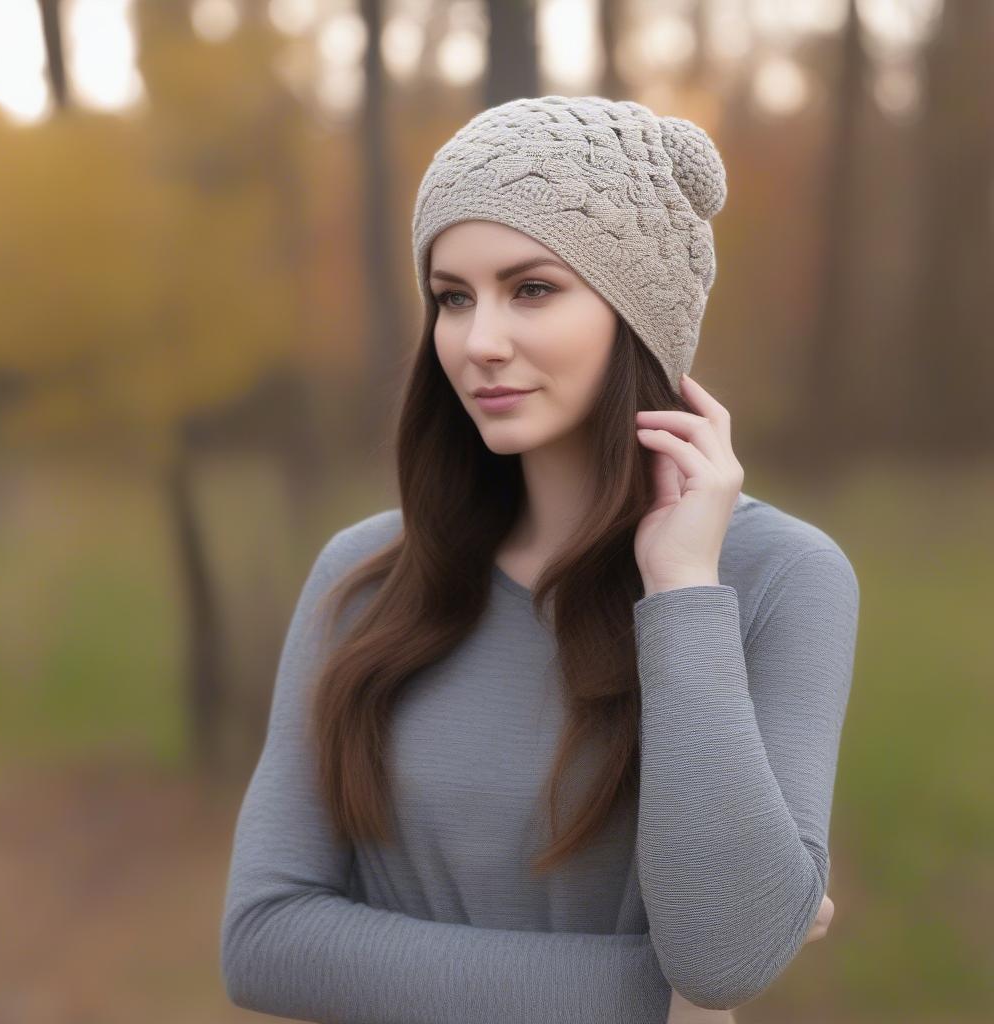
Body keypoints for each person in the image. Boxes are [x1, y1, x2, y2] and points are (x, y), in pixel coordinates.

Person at [219, 95, 858, 1024]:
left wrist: (682, 589)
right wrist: (650, 993)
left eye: (533, 288)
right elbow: (265, 942)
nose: (479, 342)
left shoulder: (778, 578)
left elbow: (720, 955)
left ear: (637, 313)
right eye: (452, 297)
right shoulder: (364, 576)